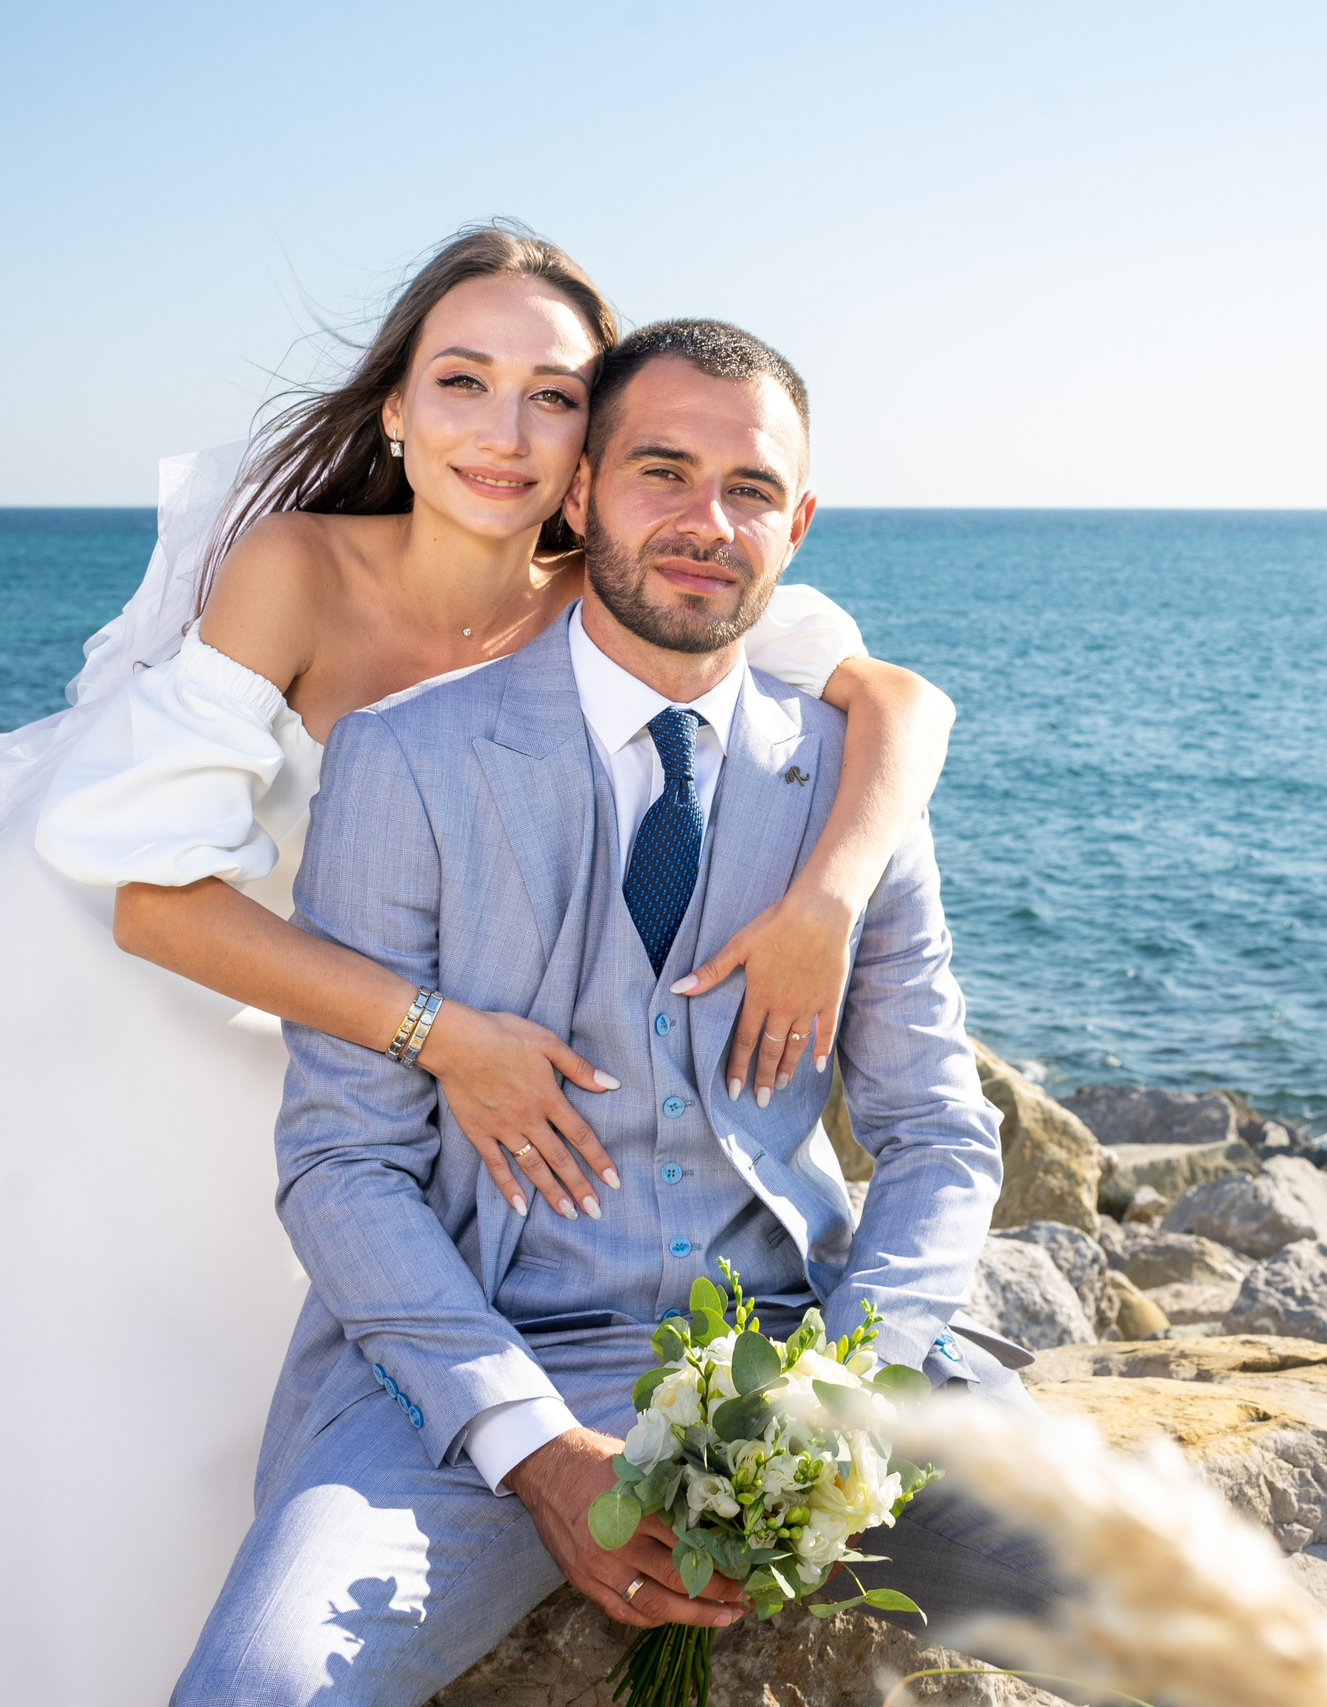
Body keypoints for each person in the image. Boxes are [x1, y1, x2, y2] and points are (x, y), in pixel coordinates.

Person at [0, 227, 958, 1707]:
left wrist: (831, 893)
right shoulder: (299, 564)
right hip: (123, 991)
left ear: (595, 440)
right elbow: (151, 900)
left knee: (280, 1354)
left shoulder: (608, 585)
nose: (503, 430)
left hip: (320, 1008)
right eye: (462, 381)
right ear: (396, 413)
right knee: (102, 1387)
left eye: (552, 397)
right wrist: (445, 1037)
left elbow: (902, 708)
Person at [172, 318, 1055, 1706]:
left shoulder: (850, 789)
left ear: (799, 523)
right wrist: (532, 1447)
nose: (709, 522)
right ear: (581, 495)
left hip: (803, 1343)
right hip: (475, 1371)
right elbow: (343, 1164)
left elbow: (940, 1133)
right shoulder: (405, 762)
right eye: (662, 471)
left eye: (752, 490)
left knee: (1171, 1621)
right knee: (258, 1691)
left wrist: (856, 1386)